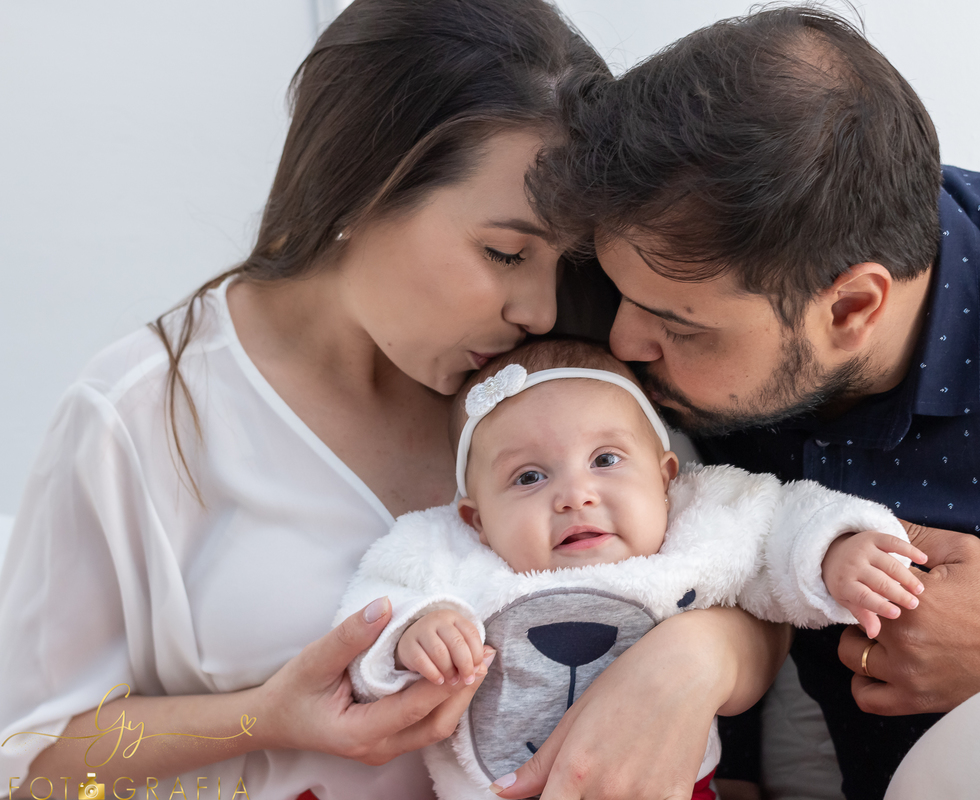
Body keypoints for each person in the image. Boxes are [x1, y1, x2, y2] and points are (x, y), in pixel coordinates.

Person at [0, 3, 789, 800]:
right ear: (363, 185)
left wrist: (697, 660)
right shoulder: (143, 416)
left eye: (562, 260)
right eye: (505, 252)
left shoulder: (560, 376)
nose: (539, 310)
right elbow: (27, 752)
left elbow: (740, 572)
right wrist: (266, 718)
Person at [528, 4, 980, 800]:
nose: (624, 343)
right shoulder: (701, 323)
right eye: (618, 293)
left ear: (851, 309)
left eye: (677, 323)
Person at [334, 339, 924, 799]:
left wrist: (835, 548)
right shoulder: (451, 552)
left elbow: (780, 522)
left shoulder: (695, 524)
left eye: (606, 459)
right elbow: (375, 605)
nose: (575, 495)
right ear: (477, 518)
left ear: (667, 477)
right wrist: (412, 633)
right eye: (529, 477)